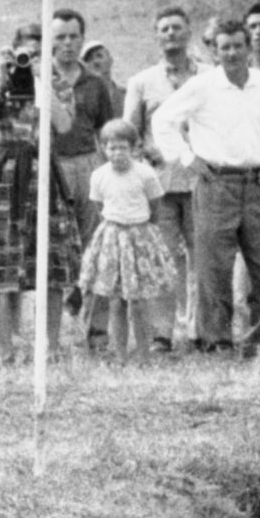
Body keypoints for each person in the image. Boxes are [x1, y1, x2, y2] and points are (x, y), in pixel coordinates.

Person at [152, 18, 260, 353]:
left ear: (248, 48)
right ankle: (216, 340)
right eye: (224, 47)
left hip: (258, 184)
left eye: (238, 46)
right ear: (214, 52)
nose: (232, 53)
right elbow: (163, 120)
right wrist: (187, 159)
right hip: (216, 184)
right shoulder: (202, 86)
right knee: (214, 269)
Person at [0, 21, 82, 359]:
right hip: (6, 175)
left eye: (39, 49)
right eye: (26, 49)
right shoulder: (7, 78)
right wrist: (1, 75)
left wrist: (42, 78)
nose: (31, 56)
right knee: (2, 265)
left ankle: (51, 345)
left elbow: (63, 124)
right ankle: (4, 348)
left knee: (52, 265)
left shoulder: (55, 82)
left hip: (43, 172)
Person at [123, 5, 203, 350]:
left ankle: (202, 330)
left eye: (177, 27)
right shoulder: (141, 82)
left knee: (203, 257)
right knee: (163, 258)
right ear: (156, 36)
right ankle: (161, 333)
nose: (171, 33)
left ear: (189, 32)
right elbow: (128, 132)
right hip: (160, 184)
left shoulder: (208, 75)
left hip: (202, 179)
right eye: (164, 29)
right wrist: (144, 155)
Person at [78, 120, 179, 359]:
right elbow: (99, 205)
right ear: (103, 148)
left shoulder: (145, 173)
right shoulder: (99, 176)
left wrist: (142, 229)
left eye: (123, 147)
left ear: (134, 148)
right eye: (111, 148)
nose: (117, 153)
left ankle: (143, 353)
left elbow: (154, 205)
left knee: (139, 301)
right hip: (113, 240)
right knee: (116, 300)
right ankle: (121, 353)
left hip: (139, 237)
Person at [49, 8, 120, 347]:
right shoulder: (40, 77)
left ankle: (96, 332)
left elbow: (109, 133)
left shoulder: (95, 83)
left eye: (72, 36)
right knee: (52, 251)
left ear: (82, 38)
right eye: (60, 37)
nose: (66, 44)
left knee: (95, 247)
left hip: (87, 165)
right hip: (50, 166)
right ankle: (50, 334)